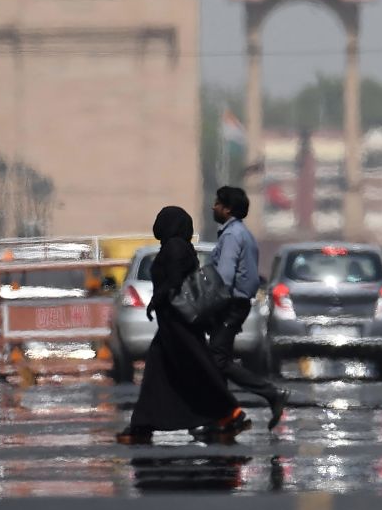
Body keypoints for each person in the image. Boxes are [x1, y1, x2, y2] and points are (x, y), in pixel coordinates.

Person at [118, 206, 249, 444]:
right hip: (172, 324)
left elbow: (175, 281)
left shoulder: (175, 247)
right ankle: (142, 425)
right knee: (159, 375)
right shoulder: (178, 246)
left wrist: (155, 301)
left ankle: (229, 414)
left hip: (180, 324)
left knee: (197, 367)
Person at [210, 186, 290, 430]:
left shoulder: (233, 235)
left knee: (218, 359)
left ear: (228, 209)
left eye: (218, 203)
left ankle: (271, 393)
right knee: (216, 359)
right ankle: (223, 415)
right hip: (235, 303)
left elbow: (224, 275)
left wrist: (211, 300)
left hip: (230, 303)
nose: (213, 207)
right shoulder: (239, 233)